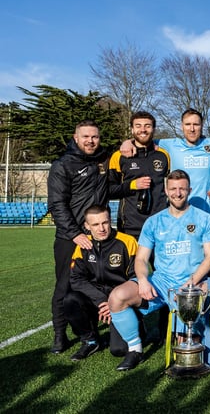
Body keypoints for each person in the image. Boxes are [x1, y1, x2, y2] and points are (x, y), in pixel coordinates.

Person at [108, 170, 210, 371]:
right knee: (117, 297)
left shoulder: (204, 219)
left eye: (182, 189)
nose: (178, 193)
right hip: (162, 282)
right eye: (173, 189)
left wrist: (192, 282)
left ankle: (185, 336)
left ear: (189, 190)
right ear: (166, 191)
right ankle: (135, 349)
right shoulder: (153, 222)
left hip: (192, 285)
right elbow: (141, 258)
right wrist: (142, 279)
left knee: (184, 347)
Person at [47, 120, 110, 353]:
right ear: (76, 138)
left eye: (95, 137)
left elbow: (109, 189)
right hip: (69, 238)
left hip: (97, 236)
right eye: (86, 137)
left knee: (96, 284)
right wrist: (75, 234)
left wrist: (132, 184)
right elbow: (56, 204)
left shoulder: (103, 161)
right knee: (64, 287)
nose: (91, 141)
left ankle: (91, 333)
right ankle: (59, 335)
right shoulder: (63, 165)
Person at [64, 205, 139, 361]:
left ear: (110, 220)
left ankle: (138, 326)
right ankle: (90, 340)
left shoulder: (127, 242)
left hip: (121, 299)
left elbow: (136, 278)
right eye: (95, 225)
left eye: (105, 222)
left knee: (120, 350)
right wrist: (102, 301)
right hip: (97, 297)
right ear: (86, 226)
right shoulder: (83, 246)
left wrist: (114, 302)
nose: (102, 228)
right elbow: (76, 279)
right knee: (70, 299)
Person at [108, 111, 170, 237]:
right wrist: (132, 185)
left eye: (147, 126)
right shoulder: (119, 156)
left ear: (153, 129)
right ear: (132, 129)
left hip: (160, 225)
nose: (143, 130)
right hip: (130, 227)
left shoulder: (163, 155)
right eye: (138, 126)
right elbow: (109, 190)